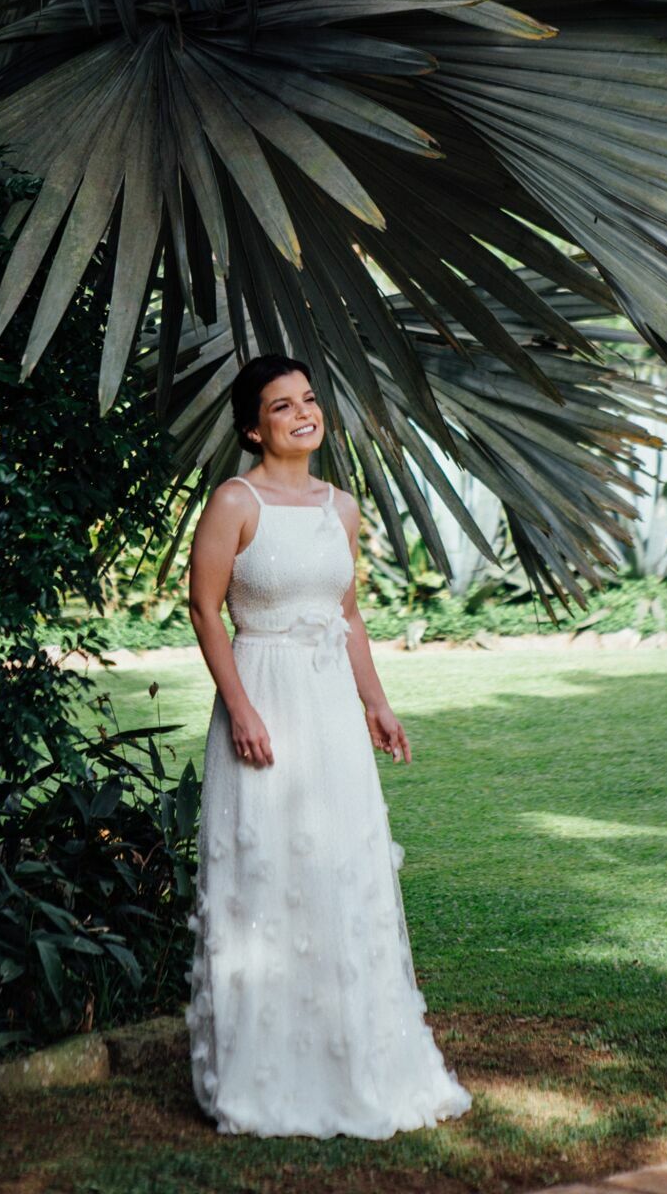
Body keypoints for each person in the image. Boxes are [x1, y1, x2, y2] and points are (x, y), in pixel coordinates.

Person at [183, 352, 472, 1138]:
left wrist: (376, 703)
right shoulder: (234, 502)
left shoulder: (338, 507)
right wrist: (239, 708)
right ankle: (262, 1070)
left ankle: (355, 1058)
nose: (302, 413)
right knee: (269, 868)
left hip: (330, 713)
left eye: (308, 399)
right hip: (264, 693)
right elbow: (206, 610)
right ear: (253, 427)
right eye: (281, 406)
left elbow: (347, 615)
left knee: (340, 869)